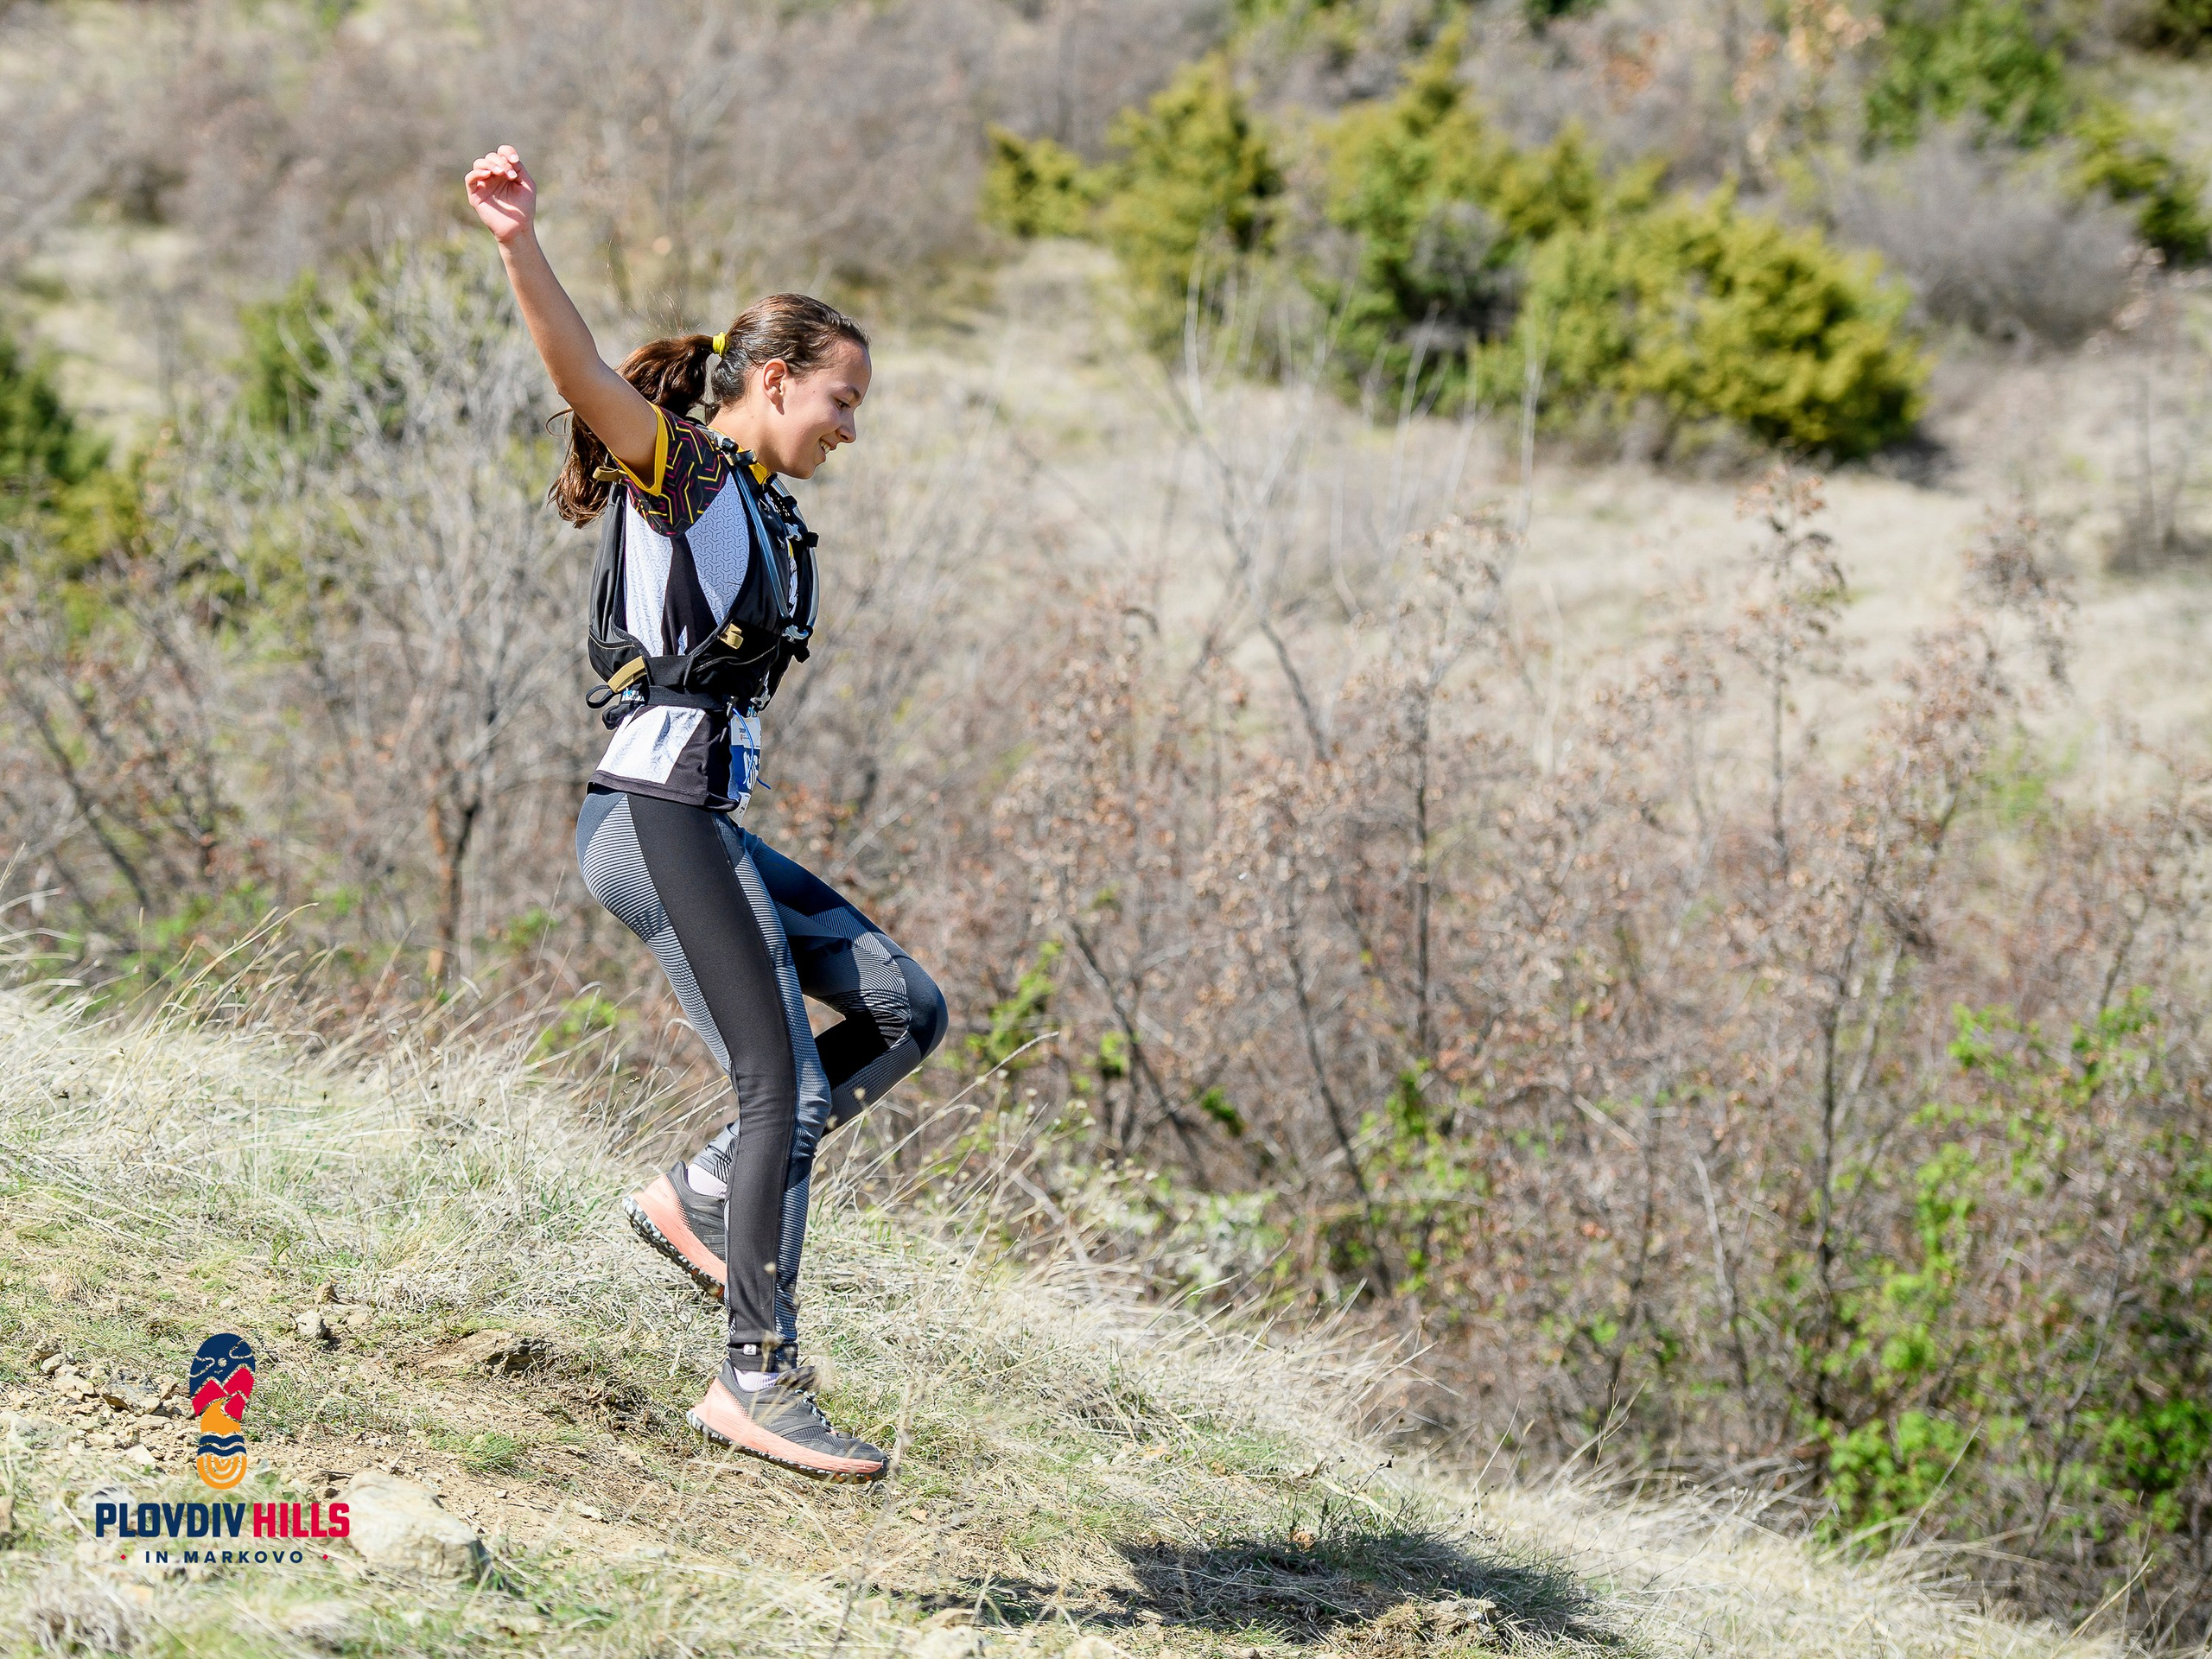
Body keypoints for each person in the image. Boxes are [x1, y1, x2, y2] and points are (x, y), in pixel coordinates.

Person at [465, 144, 947, 1483]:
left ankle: (700, 1194)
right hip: (652, 818)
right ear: (776, 379)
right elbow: (578, 375)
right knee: (780, 1079)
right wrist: (518, 244)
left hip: (704, 825)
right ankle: (756, 1375)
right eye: (842, 399)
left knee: (908, 1009)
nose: (852, 425)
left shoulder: (772, 512)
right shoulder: (683, 474)